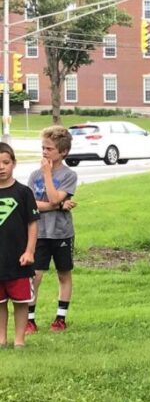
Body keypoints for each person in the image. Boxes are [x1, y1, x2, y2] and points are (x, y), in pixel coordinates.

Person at [26, 126, 78, 334]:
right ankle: (30, 319)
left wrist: (48, 175)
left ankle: (60, 318)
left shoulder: (69, 175)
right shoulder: (33, 175)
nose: (44, 152)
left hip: (61, 233)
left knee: (63, 274)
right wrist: (56, 205)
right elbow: (31, 204)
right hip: (39, 233)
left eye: (49, 149)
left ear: (63, 152)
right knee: (35, 276)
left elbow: (55, 196)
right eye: (43, 148)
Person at [0, 143, 40, 349]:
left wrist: (30, 250)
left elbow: (33, 223)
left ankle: (19, 340)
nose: (1, 167)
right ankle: (1, 339)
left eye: (5, 162)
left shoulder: (23, 192)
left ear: (14, 163)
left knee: (20, 301)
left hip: (19, 259)